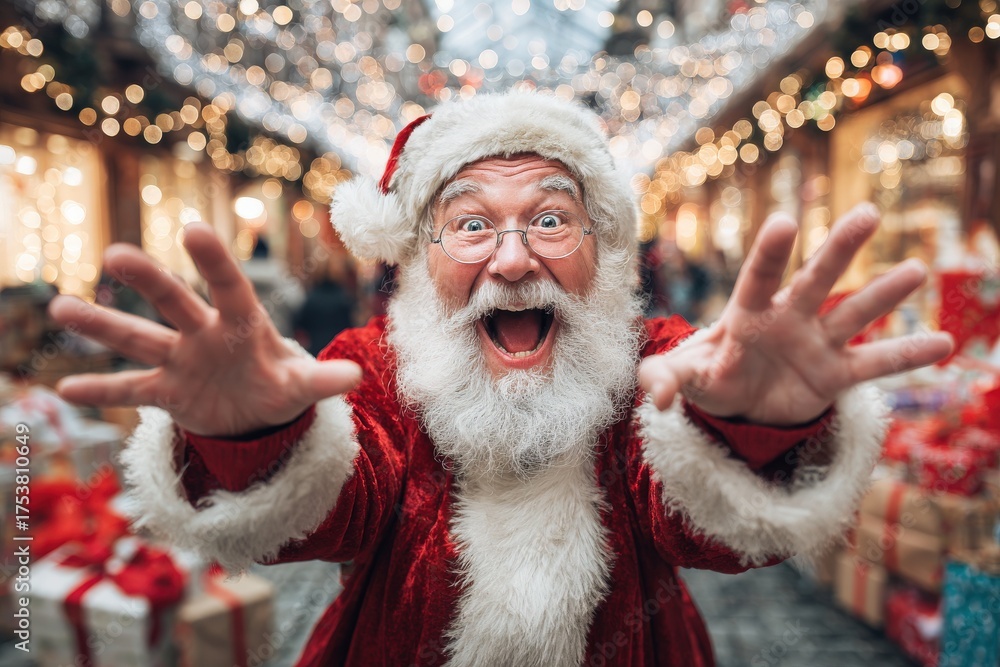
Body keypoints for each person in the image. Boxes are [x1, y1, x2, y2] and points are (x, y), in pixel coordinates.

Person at [49, 91, 952, 667]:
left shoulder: (663, 360)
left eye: (551, 219)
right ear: (417, 256)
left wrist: (753, 429)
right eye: (472, 225)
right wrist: (248, 438)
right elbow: (330, 510)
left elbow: (705, 534)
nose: (514, 260)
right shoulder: (367, 367)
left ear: (601, 250)